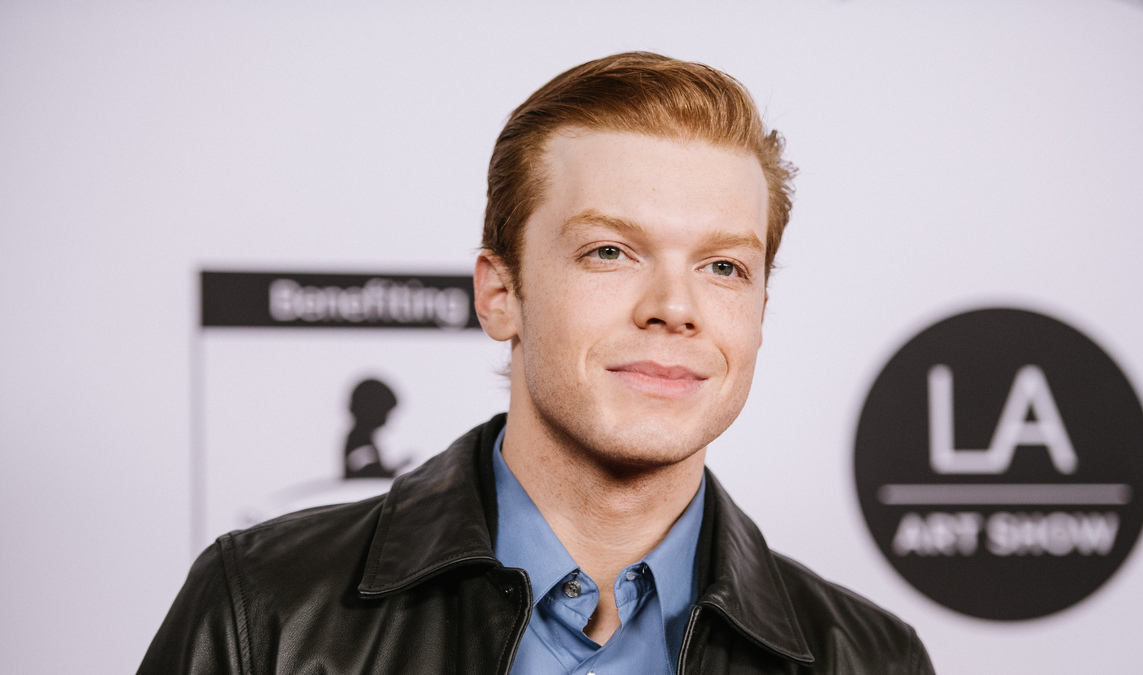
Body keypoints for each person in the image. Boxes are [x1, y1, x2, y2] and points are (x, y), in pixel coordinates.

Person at [139, 51, 935, 675]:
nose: (675, 305)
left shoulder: (869, 658)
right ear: (500, 294)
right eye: (610, 251)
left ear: (760, 309)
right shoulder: (266, 609)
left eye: (723, 266)